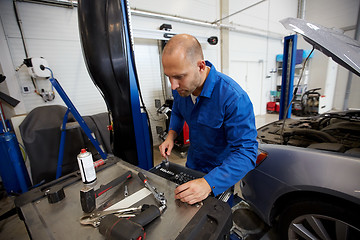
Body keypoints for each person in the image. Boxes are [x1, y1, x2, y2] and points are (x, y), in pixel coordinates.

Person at [159, 34, 258, 205]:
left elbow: (247, 152)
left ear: (200, 66)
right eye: (169, 77)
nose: (173, 86)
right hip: (192, 165)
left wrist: (208, 183)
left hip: (219, 175)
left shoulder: (233, 98)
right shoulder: (181, 90)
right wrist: (171, 136)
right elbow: (177, 111)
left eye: (179, 77)